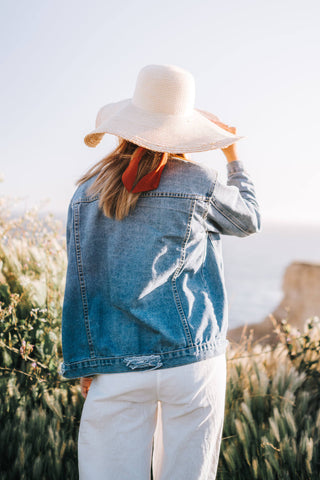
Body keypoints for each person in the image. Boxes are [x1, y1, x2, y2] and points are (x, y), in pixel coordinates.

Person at [60, 64, 261, 480]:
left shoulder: (85, 194)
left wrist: (85, 360)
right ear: (184, 130)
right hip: (190, 362)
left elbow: (81, 284)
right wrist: (233, 157)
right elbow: (249, 221)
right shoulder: (198, 182)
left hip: (114, 365)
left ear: (126, 127)